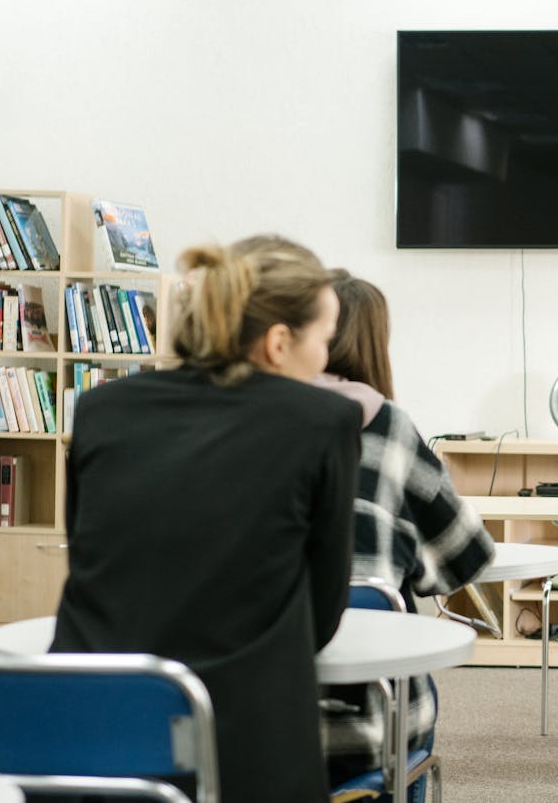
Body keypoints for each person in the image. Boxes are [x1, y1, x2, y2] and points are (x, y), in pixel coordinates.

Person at [51, 235, 363, 803]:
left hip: (89, 730)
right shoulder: (323, 422)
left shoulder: (101, 408)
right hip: (242, 748)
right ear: (277, 342)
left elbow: (91, 560)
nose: (326, 356)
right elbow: (321, 614)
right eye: (324, 338)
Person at [315, 271, 494, 802]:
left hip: (242, 714)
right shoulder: (386, 425)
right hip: (364, 724)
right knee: (412, 688)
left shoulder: (251, 420)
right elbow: (463, 557)